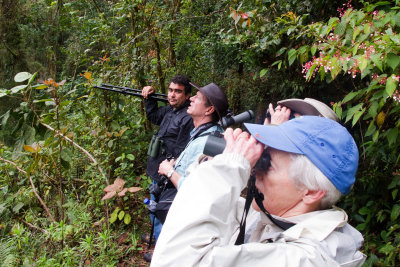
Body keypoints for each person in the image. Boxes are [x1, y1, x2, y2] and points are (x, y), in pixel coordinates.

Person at [151, 116, 366, 266]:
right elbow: (203, 207)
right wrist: (223, 160)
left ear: (310, 192)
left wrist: (229, 168)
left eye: (267, 163)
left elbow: (173, 260)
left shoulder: (303, 260)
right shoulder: (275, 217)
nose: (255, 169)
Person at [141, 75, 194, 260]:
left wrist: (169, 174)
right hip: (156, 168)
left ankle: (163, 254)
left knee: (164, 211)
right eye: (170, 90)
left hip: (168, 174)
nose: (172, 95)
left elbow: (181, 151)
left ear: (187, 95)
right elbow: (153, 116)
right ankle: (156, 236)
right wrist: (149, 98)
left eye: (178, 91)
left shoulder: (188, 117)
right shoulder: (170, 110)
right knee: (153, 205)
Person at [158, 82, 229, 189]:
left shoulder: (209, 143)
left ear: (209, 110)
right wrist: (176, 163)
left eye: (198, 97)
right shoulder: (201, 132)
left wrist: (169, 171)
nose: (191, 98)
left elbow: (195, 189)